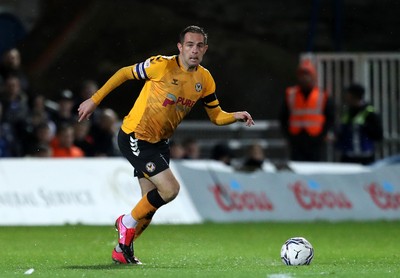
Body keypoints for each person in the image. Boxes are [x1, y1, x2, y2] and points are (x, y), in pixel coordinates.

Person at [77, 25, 254, 265]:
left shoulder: (205, 79)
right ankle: (125, 223)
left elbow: (216, 116)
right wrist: (94, 100)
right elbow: (124, 73)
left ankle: (122, 249)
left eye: (199, 45)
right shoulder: (161, 65)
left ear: (205, 49)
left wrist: (235, 115)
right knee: (170, 190)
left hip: (160, 143)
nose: (194, 50)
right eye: (189, 45)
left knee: (148, 208)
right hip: (135, 135)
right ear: (180, 47)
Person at [279, 59, 334, 162]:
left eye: (307, 74)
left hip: (316, 140)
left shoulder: (322, 95)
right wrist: (288, 135)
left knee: (315, 168)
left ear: (313, 76)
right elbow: (283, 116)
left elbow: (330, 118)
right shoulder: (290, 94)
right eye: (302, 74)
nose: (304, 78)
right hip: (296, 139)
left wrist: (322, 135)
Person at [335, 84, 383, 165]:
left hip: (365, 157)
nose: (346, 97)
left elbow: (378, 134)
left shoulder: (370, 112)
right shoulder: (347, 112)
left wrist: (364, 127)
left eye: (348, 94)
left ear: (354, 96)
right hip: (347, 156)